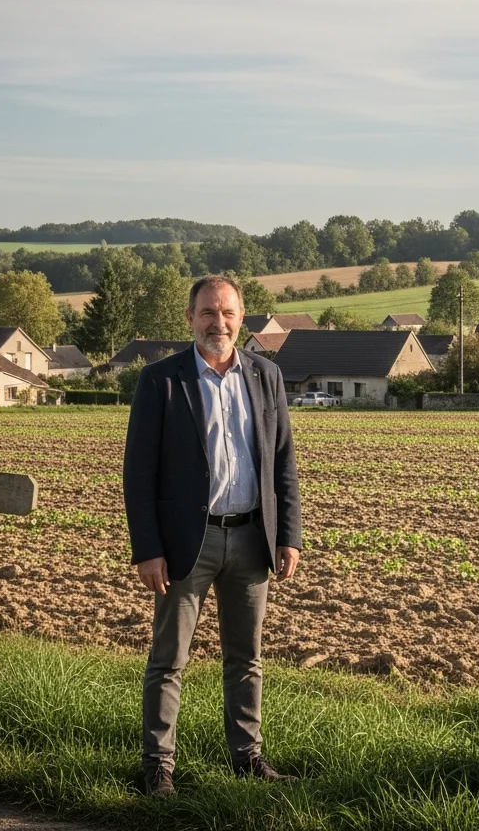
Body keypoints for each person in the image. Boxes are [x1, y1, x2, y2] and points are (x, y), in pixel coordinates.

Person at [123, 274, 302, 796]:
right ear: (190, 319)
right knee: (168, 659)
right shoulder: (161, 380)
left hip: (251, 538)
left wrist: (287, 534)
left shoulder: (266, 375)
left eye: (226, 313)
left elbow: (283, 463)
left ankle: (247, 757)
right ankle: (158, 768)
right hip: (185, 545)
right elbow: (138, 473)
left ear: (241, 317)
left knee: (246, 658)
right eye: (207, 313)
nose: (217, 323)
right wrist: (148, 549)